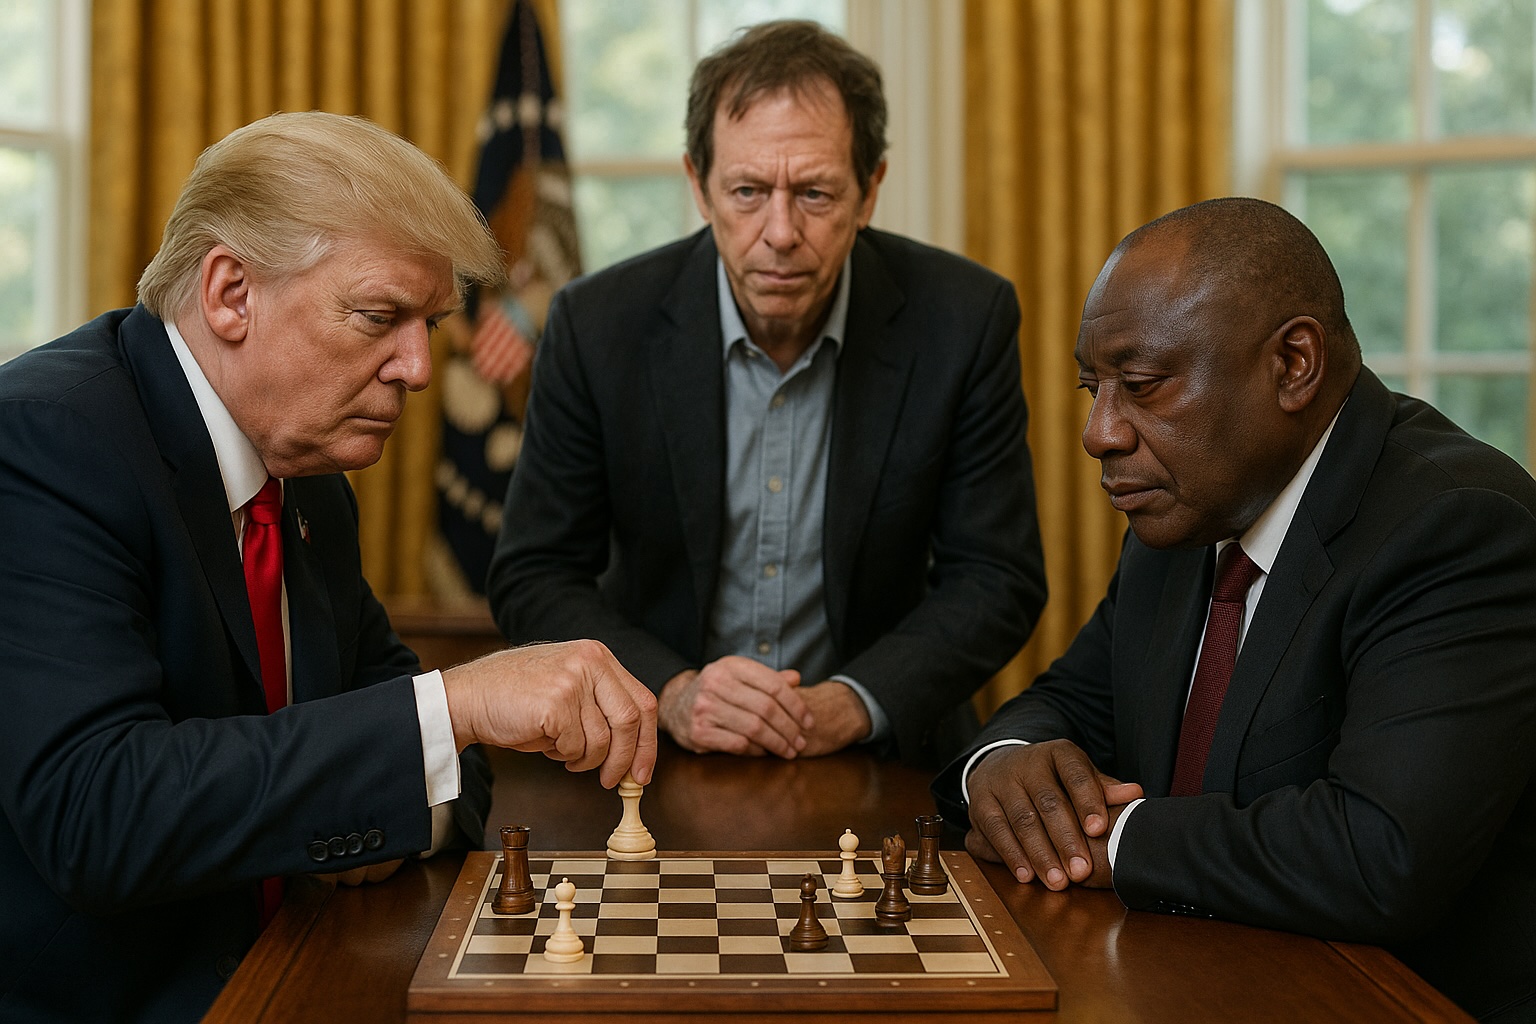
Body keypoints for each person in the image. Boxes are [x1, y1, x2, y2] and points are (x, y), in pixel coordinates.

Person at [0, 112, 658, 1024]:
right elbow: (98, 814)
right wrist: (458, 704)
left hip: (294, 973)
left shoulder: (305, 482)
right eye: (381, 317)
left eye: (429, 324)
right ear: (231, 293)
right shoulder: (46, 441)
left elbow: (434, 770)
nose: (422, 369)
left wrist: (395, 780)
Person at [931, 197, 1536, 1022]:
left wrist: (1110, 839)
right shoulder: (1185, 513)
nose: (1099, 433)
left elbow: (1378, 852)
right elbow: (1072, 703)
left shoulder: (1457, 527)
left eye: (1140, 386)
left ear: (1294, 364)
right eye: (1092, 388)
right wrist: (998, 764)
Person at [487, 21, 1046, 767]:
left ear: (870, 189)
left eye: (814, 192)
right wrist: (674, 692)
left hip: (882, 755)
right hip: (653, 748)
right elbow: (534, 575)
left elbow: (996, 577)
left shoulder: (963, 320)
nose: (779, 232)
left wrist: (851, 703)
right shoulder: (597, 326)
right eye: (748, 191)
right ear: (699, 185)